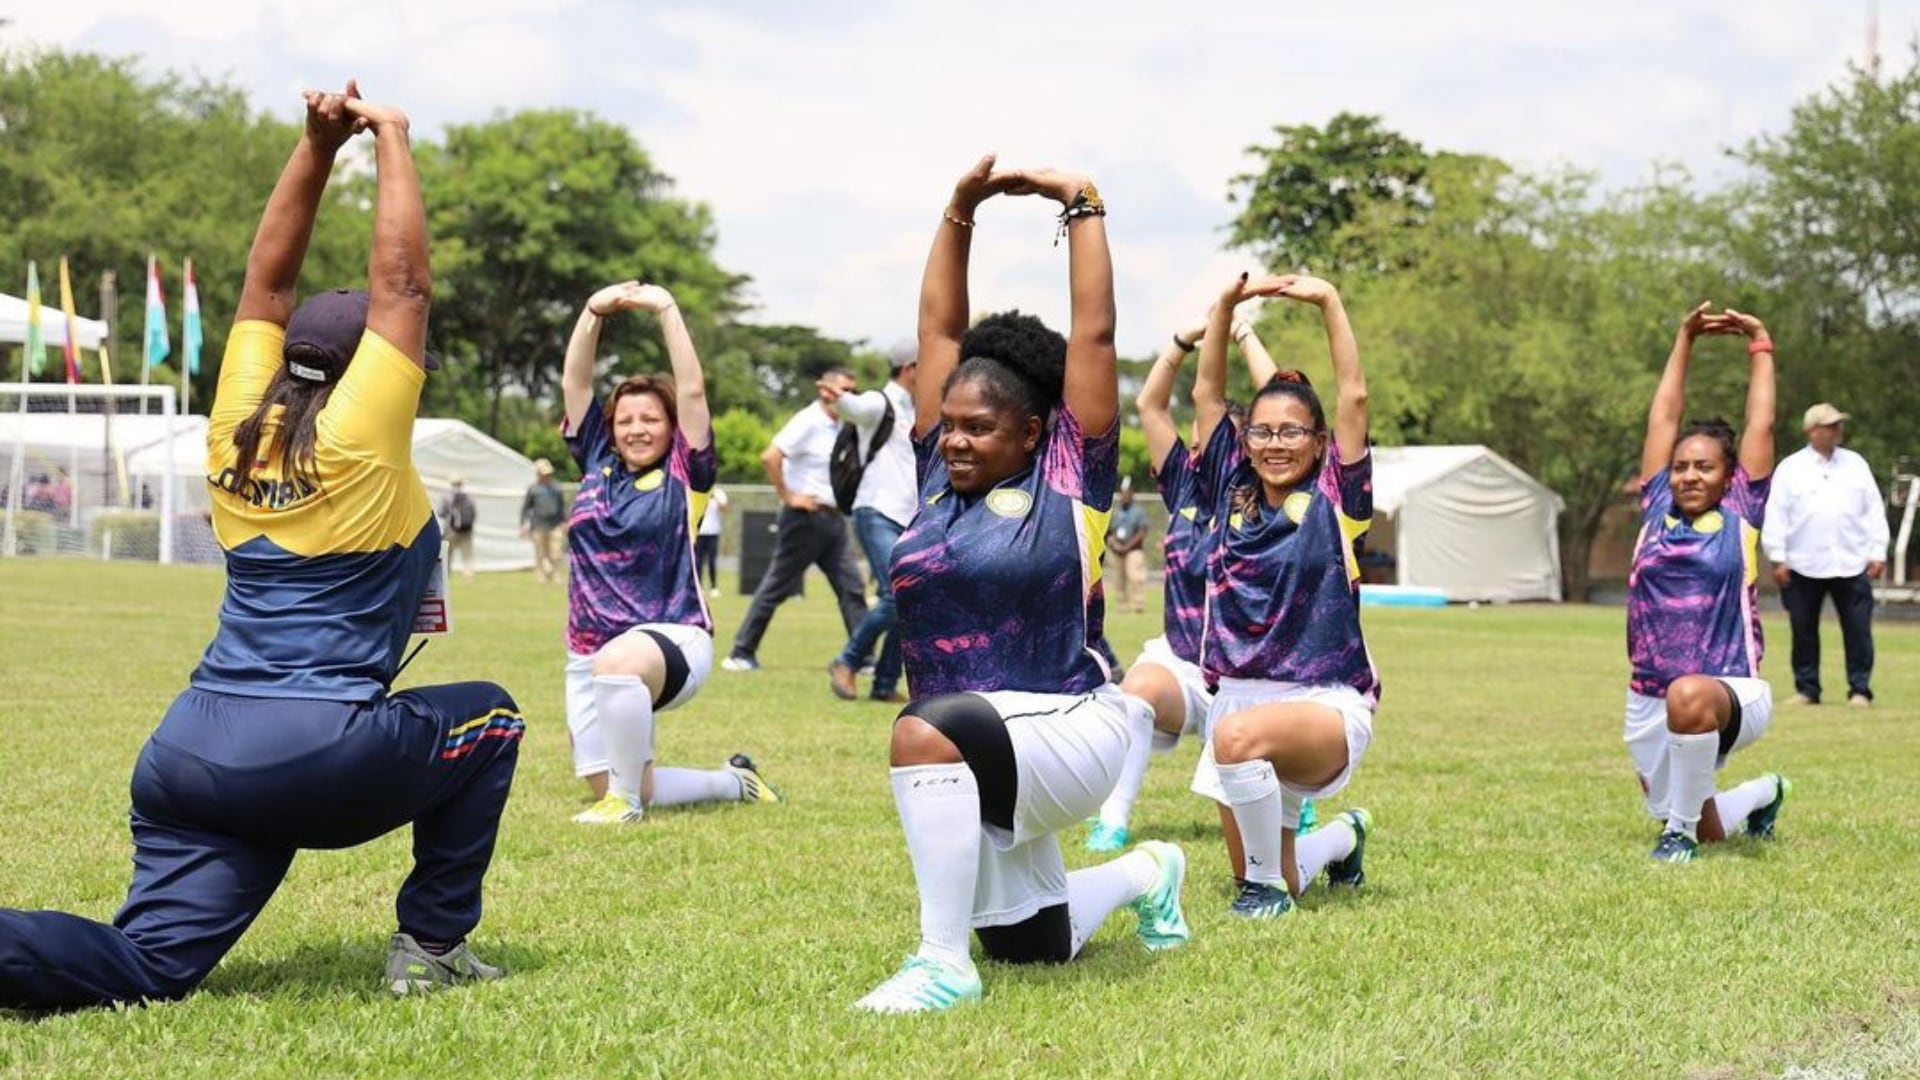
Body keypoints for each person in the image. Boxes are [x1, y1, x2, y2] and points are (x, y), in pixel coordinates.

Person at [0, 83, 524, 1009]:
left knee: (150, 966)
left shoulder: (235, 421)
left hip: (187, 757)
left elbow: (265, 286)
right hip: (314, 755)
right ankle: (434, 945)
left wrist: (317, 145)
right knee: (494, 718)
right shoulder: (362, 437)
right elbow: (403, 286)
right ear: (374, 372)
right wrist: (391, 136)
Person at [855, 156, 1188, 1015]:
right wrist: (958, 209)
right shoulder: (933, 477)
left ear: (1033, 431)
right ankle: (1150, 871)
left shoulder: (1070, 479)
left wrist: (1082, 204)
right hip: (988, 744)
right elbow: (937, 331)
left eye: (981, 428)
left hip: (1068, 728)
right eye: (950, 425)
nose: (957, 440)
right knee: (1033, 946)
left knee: (921, 733)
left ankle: (940, 963)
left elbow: (1096, 337)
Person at [1086, 317, 1314, 857]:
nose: (1199, 452)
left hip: (1256, 669)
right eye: (1196, 443)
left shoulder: (1276, 498)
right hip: (1186, 664)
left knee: (1270, 767)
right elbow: (1150, 407)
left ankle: (1298, 803)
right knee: (1135, 695)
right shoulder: (1185, 491)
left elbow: (1288, 399)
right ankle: (1113, 820)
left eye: (1216, 444)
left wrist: (1243, 334)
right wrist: (1183, 342)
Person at [1186, 272, 1375, 919]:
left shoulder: (1335, 499)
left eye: (1292, 431)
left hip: (1320, 704)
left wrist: (1328, 300)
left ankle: (1261, 893)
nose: (1275, 443)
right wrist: (1226, 312)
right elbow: (1208, 394)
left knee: (1238, 743)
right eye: (1262, 432)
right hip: (1240, 701)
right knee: (1289, 869)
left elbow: (1352, 395)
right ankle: (1344, 836)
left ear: (1319, 442)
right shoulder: (1229, 492)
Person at [557, 281, 778, 822]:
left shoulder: (686, 473)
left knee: (619, 674)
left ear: (672, 427)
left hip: (673, 638)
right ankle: (733, 783)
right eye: (626, 420)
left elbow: (694, 392)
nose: (637, 428)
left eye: (651, 419)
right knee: (602, 778)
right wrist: (592, 311)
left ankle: (624, 806)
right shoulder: (596, 465)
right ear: (610, 430)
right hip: (588, 649)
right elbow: (575, 380)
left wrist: (666, 309)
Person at [1623, 302, 1790, 864]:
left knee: (1688, 695)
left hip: (1729, 690)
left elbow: (1762, 423)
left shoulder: (1743, 510)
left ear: (1730, 476)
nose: (1691, 474)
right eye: (1682, 467)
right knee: (1712, 821)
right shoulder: (1654, 509)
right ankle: (1767, 793)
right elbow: (1663, 419)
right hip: (1648, 696)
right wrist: (1684, 338)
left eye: (1705, 467)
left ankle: (1678, 836)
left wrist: (1760, 344)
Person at [721, 369, 869, 671]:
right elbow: (770, 456)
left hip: (832, 520)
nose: (851, 396)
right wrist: (790, 497)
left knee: (851, 587)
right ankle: (740, 653)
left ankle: (863, 658)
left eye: (854, 390)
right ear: (826, 391)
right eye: (845, 389)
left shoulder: (842, 426)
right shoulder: (808, 421)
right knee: (776, 585)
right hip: (804, 519)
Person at [1763, 402, 1889, 707]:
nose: (1837, 431)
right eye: (1830, 426)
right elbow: (1776, 513)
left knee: (1858, 629)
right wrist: (1777, 557)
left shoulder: (1856, 464)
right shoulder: (1791, 468)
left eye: (1838, 425)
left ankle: (1860, 688)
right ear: (1812, 430)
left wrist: (1878, 551)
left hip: (1851, 560)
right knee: (1803, 629)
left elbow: (1873, 509)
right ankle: (1807, 688)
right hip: (1803, 562)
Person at [827, 341, 919, 704]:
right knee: (895, 595)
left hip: (906, 516)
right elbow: (856, 407)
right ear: (910, 367)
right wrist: (840, 396)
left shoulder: (917, 407)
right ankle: (846, 660)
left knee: (908, 598)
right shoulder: (881, 402)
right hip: (876, 510)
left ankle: (884, 684)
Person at [1106, 482, 1149, 615]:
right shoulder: (1116, 511)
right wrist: (1115, 545)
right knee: (1118, 579)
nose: (1124, 497)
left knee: (1136, 577)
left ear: (1132, 495)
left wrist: (1127, 547)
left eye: (1126, 494)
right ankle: (1122, 605)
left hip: (1134, 550)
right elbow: (1108, 532)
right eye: (1122, 494)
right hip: (1116, 551)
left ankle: (1138, 604)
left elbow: (1142, 531)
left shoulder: (1138, 512)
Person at [521, 458, 567, 583]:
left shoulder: (556, 488)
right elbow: (526, 508)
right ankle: (541, 576)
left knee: (556, 553)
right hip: (538, 525)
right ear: (538, 473)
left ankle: (556, 575)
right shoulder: (533, 489)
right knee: (540, 553)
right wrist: (523, 525)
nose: (547, 476)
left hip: (555, 524)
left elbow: (562, 506)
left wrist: (564, 522)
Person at [439, 475, 478, 582]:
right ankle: (469, 577)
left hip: (450, 530)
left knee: (448, 555)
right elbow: (474, 513)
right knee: (467, 555)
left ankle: (446, 576)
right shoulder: (469, 497)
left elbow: (441, 512)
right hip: (467, 530)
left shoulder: (447, 496)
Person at [695, 484, 728, 596]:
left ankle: (714, 587)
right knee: (698, 561)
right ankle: (699, 587)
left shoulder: (718, 493)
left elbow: (725, 509)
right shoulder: (698, 490)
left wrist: (715, 498)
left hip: (713, 532)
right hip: (699, 532)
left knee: (712, 560)